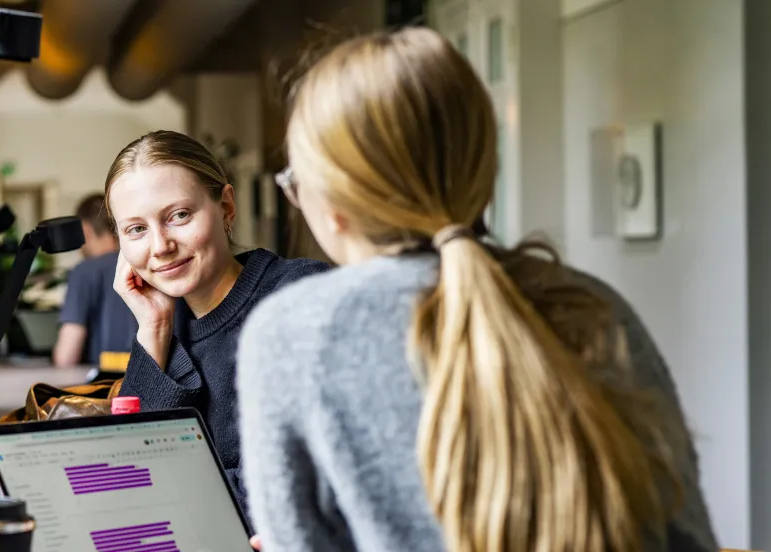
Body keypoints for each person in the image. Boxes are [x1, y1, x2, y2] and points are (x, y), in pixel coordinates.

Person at [237, 28, 718, 552]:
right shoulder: (594, 306)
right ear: (481, 171)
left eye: (296, 181)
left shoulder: (297, 333)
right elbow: (685, 536)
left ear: (333, 204)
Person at [105, 130, 328, 513]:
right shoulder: (163, 323)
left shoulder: (301, 295)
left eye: (179, 216)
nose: (160, 247)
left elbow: (311, 472)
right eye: (137, 229)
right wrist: (154, 328)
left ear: (226, 207)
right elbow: (130, 477)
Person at [53, 194, 137, 368]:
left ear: (85, 230)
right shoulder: (141, 265)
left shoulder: (84, 271)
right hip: (149, 379)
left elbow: (67, 356)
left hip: (104, 385)